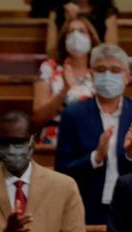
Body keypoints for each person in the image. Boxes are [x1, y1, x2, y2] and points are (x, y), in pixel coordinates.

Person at [55, 43, 132, 226]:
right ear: (91, 75)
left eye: (115, 70)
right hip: (88, 207)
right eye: (101, 69)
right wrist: (96, 157)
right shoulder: (73, 115)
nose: (108, 75)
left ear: (127, 77)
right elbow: (62, 171)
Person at [33, 15, 98, 146]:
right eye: (70, 31)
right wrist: (64, 90)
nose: (76, 36)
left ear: (91, 38)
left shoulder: (99, 72)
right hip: (56, 137)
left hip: (91, 139)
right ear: (64, 39)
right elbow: (39, 116)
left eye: (81, 31)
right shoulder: (49, 68)